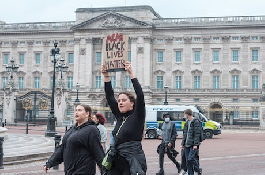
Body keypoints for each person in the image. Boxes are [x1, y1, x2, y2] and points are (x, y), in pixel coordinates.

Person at [101, 61, 147, 175]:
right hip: (116, 158)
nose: (120, 102)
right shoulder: (119, 116)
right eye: (119, 100)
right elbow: (110, 97)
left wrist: (131, 73)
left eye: (124, 100)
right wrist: (106, 76)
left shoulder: (138, 115)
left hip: (131, 160)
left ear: (132, 103)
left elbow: (140, 95)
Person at [43, 104, 106, 175]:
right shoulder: (72, 129)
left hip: (83, 170)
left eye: (79, 110)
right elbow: (62, 148)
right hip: (69, 171)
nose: (76, 112)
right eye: (75, 110)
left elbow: (97, 151)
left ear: (87, 113)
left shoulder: (92, 130)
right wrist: (50, 163)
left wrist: (104, 170)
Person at [180, 109, 202, 175]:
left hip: (193, 144)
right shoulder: (187, 122)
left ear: (187, 114)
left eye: (185, 114)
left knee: (190, 159)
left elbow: (197, 134)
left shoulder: (196, 121)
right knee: (187, 161)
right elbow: (185, 134)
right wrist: (182, 144)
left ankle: (198, 169)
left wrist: (195, 144)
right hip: (187, 144)